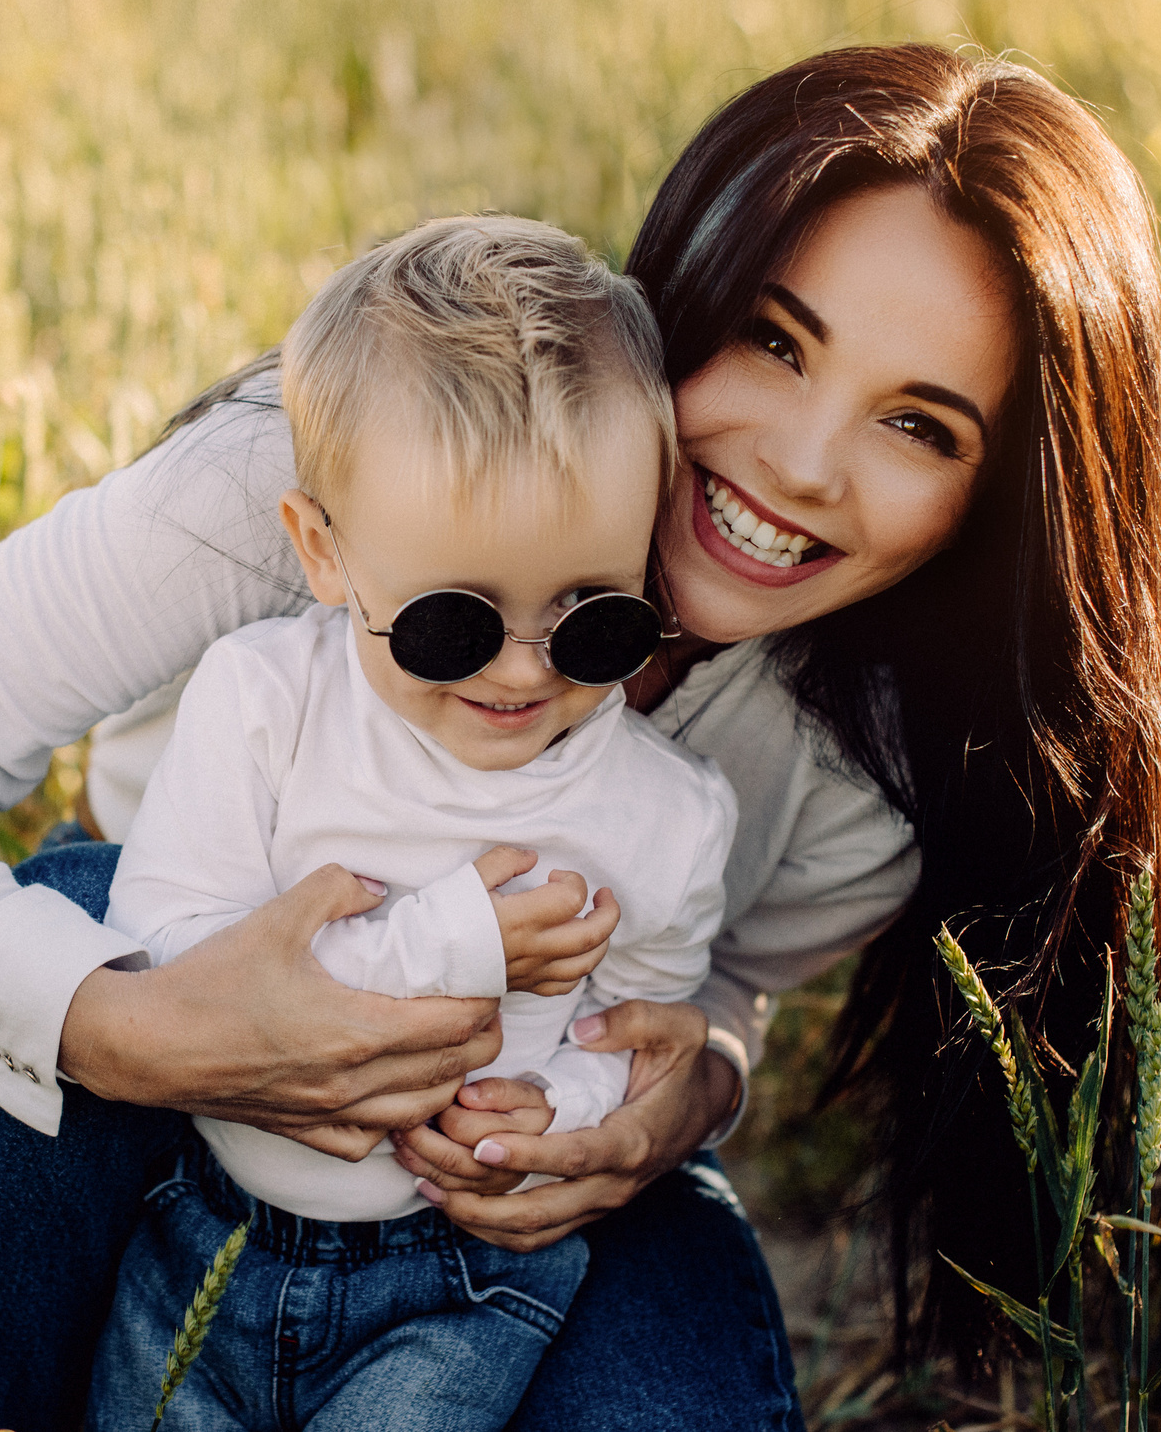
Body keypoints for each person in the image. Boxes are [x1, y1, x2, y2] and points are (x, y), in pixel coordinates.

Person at [0, 43, 1161, 1430]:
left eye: (920, 426)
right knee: (62, 955)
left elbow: (712, 971)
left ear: (1000, 503)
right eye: (773, 340)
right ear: (683, 282)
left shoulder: (871, 756)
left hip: (504, 1191)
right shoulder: (300, 484)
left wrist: (696, 1087)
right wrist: (124, 1025)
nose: (802, 467)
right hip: (138, 1086)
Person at [86, 216, 735, 1430]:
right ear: (323, 553)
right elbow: (162, 957)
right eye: (455, 621)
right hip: (202, 1237)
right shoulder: (265, 703)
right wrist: (454, 944)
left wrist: (570, 1107)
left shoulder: (666, 815)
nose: (527, 671)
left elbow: (637, 1025)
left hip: (467, 1283)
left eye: (595, 614)